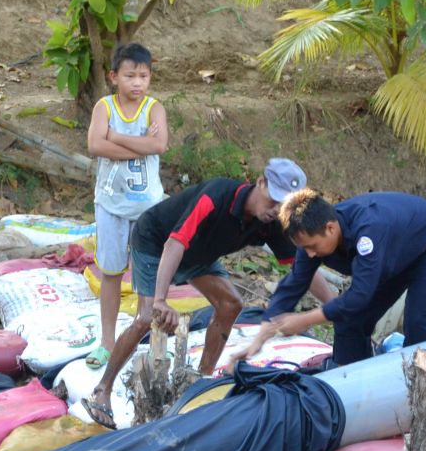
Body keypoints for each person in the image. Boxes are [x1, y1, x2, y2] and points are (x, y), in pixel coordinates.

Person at [83, 159, 336, 428]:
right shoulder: (216, 196)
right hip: (157, 242)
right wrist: (160, 299)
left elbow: (302, 267)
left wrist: (336, 306)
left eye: (283, 205)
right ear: (260, 183)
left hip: (199, 254)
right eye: (273, 200)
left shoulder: (273, 223)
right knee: (147, 317)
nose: (275, 210)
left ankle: (199, 384)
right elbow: (174, 243)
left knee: (231, 304)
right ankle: (103, 390)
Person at [246, 188, 426, 368]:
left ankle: (423, 392)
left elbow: (360, 296)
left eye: (312, 247)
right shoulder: (310, 238)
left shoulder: (368, 231)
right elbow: (295, 283)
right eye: (304, 248)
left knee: (416, 324)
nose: (310, 254)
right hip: (392, 254)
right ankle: (353, 385)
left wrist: (304, 320)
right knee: (351, 321)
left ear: (330, 228)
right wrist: (265, 330)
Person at [87, 42, 167, 358]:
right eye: (130, 75)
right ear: (113, 76)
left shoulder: (154, 108)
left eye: (143, 76)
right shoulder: (104, 107)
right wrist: (141, 143)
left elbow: (159, 145)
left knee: (149, 274)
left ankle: (144, 335)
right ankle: (108, 342)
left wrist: (116, 137)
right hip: (110, 205)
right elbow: (95, 145)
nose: (137, 83)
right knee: (111, 272)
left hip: (149, 208)